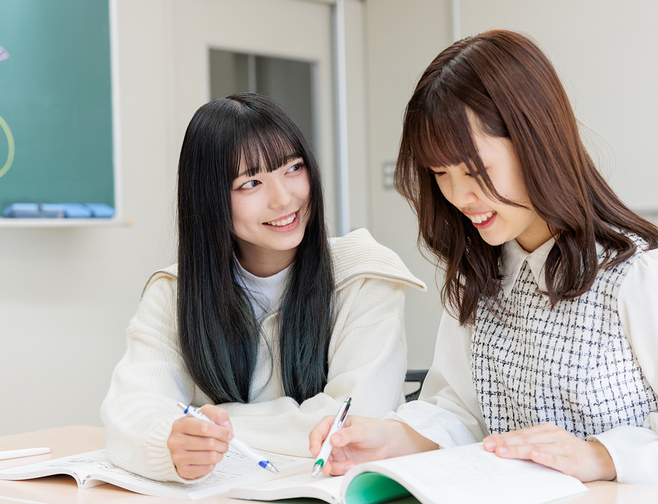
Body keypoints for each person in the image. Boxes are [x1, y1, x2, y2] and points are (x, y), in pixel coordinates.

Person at [309, 30, 658, 497]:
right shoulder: (484, 282)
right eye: (440, 173)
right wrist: (390, 438)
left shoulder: (646, 282)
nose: (458, 196)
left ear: (536, 142)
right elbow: (464, 413)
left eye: (475, 169)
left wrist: (601, 456)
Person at [101, 93, 425, 482]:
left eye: (293, 168)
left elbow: (355, 423)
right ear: (209, 200)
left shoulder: (364, 275)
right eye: (251, 182)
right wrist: (169, 443)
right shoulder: (173, 294)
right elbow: (129, 410)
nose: (284, 198)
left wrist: (208, 426)